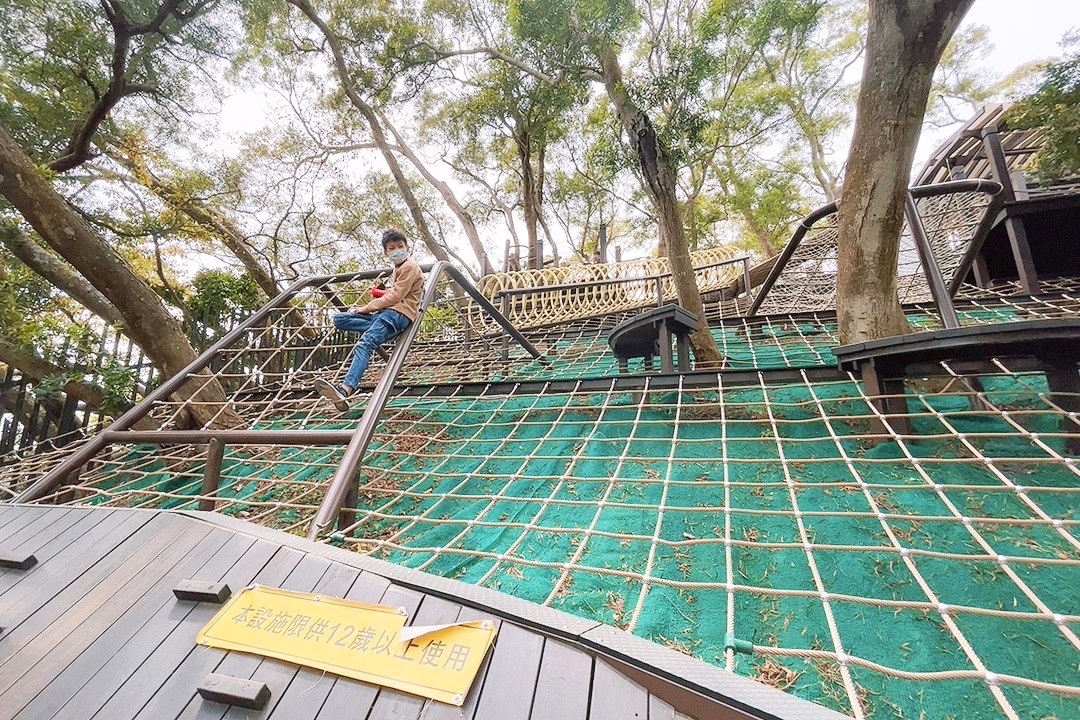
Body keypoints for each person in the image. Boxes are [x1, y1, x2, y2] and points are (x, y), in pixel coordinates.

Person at [316, 228, 424, 411]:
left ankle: (346, 389)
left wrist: (367, 307)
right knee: (340, 319)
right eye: (392, 248)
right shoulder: (397, 268)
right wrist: (379, 297)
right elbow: (395, 293)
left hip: (397, 315)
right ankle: (375, 328)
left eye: (400, 246)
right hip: (386, 315)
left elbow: (396, 296)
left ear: (408, 247)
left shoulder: (409, 267)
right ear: (386, 252)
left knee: (365, 344)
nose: (397, 250)